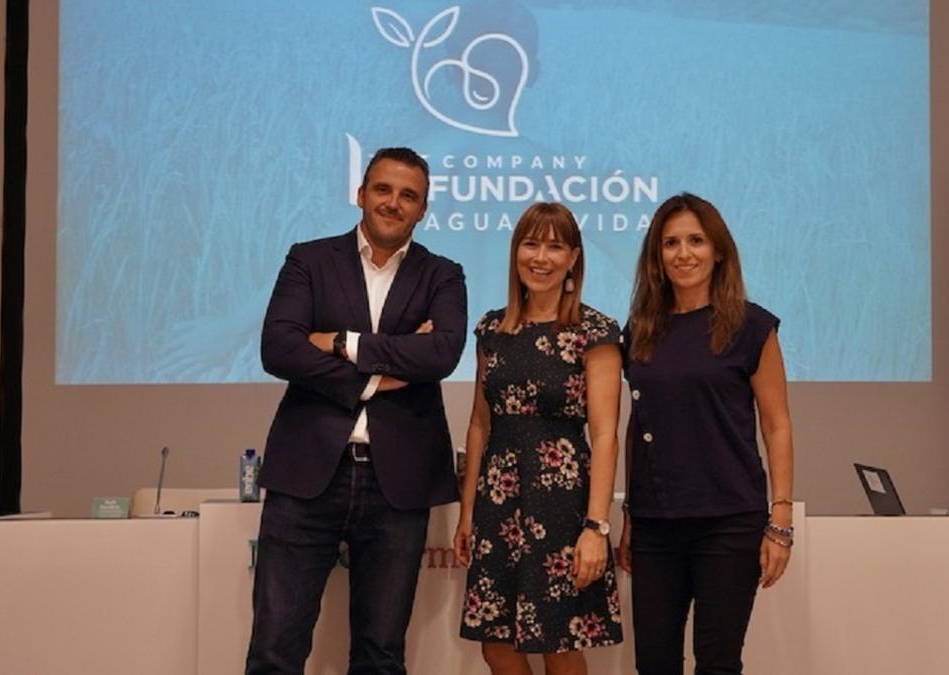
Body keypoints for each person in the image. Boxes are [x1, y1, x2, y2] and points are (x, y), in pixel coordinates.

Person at [247, 147, 468, 674]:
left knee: (381, 654)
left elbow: (441, 353)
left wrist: (341, 342)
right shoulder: (309, 259)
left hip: (399, 484)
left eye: (408, 196)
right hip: (308, 474)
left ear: (424, 209)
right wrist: (377, 376)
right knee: (275, 649)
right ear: (361, 194)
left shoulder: (443, 274)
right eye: (384, 190)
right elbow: (279, 347)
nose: (394, 203)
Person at [617, 193, 794, 675]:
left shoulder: (752, 326)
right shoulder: (640, 329)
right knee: (654, 662)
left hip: (729, 520)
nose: (683, 253)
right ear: (657, 256)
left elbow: (776, 425)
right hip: (655, 522)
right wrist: (631, 512)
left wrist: (780, 522)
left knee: (717, 663)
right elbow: (639, 424)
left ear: (718, 250)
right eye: (670, 243)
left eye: (696, 240)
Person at [454, 202, 624, 673]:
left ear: (573, 258)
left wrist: (596, 527)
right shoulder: (492, 328)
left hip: (564, 509)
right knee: (496, 644)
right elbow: (479, 424)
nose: (541, 257)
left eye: (554, 246)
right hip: (498, 505)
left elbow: (606, 434)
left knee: (559, 642)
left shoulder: (595, 331)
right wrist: (468, 512)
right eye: (531, 244)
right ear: (516, 253)